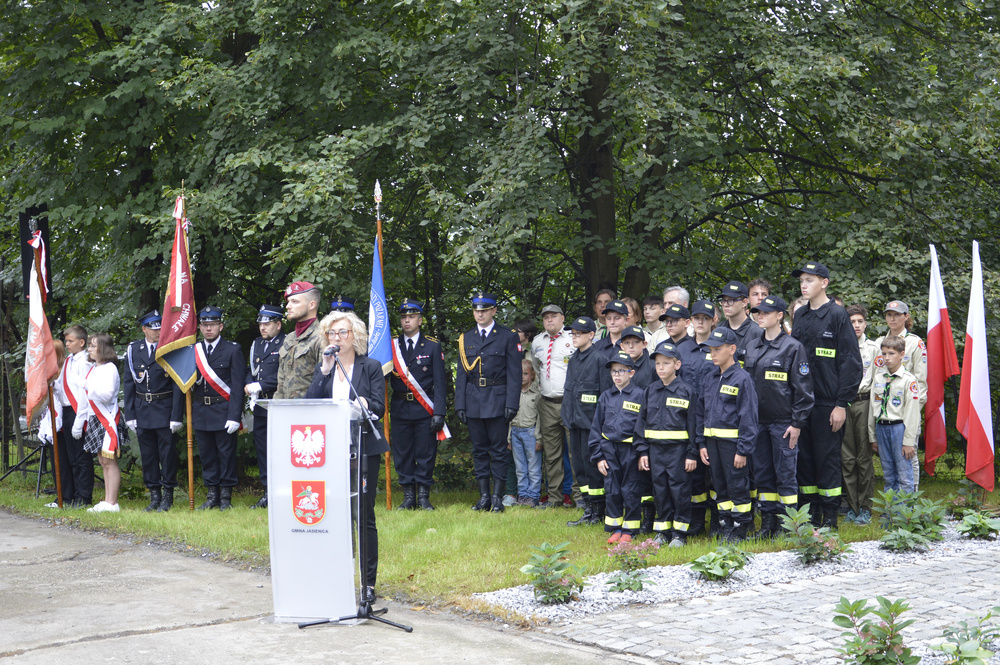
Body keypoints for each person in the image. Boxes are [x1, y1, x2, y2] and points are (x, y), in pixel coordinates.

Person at [306, 310, 387, 601]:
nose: (336, 338)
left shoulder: (371, 367)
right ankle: (337, 577)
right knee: (335, 516)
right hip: (329, 451)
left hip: (363, 450)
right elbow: (310, 405)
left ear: (356, 336)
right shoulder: (324, 366)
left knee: (363, 516)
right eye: (331, 333)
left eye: (342, 332)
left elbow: (379, 405)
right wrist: (325, 370)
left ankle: (367, 584)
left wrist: (365, 403)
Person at [790, 262, 863, 529]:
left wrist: (841, 404)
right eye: (802, 281)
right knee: (805, 462)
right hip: (802, 403)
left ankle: (830, 518)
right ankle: (810, 516)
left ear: (824, 283)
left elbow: (850, 363)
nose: (804, 285)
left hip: (827, 403)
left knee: (828, 460)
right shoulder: (800, 316)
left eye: (809, 280)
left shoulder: (837, 315)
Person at [743, 297, 815, 538]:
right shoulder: (752, 346)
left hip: (783, 424)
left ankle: (788, 527)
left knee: (785, 476)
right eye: (756, 312)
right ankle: (767, 525)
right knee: (763, 475)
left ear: (779, 315)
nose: (759, 315)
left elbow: (803, 391)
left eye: (765, 312)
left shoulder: (793, 347)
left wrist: (797, 424)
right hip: (758, 424)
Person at [455, 292, 521, 513]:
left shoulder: (507, 336)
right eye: (476, 310)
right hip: (473, 400)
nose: (480, 313)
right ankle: (483, 496)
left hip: (498, 399)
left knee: (499, 451)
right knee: (479, 451)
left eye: (484, 310)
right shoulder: (466, 338)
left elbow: (514, 373)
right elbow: (462, 374)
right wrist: (460, 404)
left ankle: (497, 497)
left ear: (493, 311)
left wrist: (512, 403)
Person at [696, 328, 759, 542]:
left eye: (717, 349)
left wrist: (743, 450)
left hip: (733, 445)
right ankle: (725, 524)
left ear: (732, 349)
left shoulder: (742, 379)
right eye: (711, 350)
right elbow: (700, 412)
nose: (713, 354)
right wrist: (701, 443)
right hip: (712, 444)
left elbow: (749, 418)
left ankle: (741, 528)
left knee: (737, 486)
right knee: (719, 485)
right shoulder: (710, 377)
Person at [637, 342, 698, 547]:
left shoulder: (687, 391)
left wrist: (692, 454)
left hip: (678, 452)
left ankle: (680, 533)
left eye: (666, 363)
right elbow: (641, 423)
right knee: (660, 490)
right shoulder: (650, 391)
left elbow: (694, 426)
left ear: (677, 364)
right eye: (658, 364)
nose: (661, 368)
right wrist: (643, 451)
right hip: (655, 451)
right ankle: (662, 531)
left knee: (679, 490)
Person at [389, 299, 446, 511]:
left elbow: (440, 382)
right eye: (404, 317)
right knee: (402, 453)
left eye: (411, 316)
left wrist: (439, 412)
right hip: (400, 407)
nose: (407, 320)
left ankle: (423, 496)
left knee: (425, 452)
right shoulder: (391, 345)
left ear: (420, 320)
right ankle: (408, 496)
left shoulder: (432, 345)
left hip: (425, 408)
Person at [124, 310, 183, 512]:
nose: (157, 331)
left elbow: (177, 385)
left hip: (165, 409)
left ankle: (168, 495)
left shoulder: (169, 349)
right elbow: (129, 383)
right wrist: (130, 414)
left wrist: (176, 416)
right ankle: (154, 495)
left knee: (167, 455)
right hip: (142, 410)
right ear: (144, 329)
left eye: (160, 327)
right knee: (148, 456)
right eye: (153, 327)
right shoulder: (134, 350)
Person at [192, 306, 246, 511]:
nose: (208, 329)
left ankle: (225, 496)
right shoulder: (194, 350)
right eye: (204, 325)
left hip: (223, 410)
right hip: (201, 410)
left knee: (226, 454)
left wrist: (235, 416)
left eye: (212, 325)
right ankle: (211, 493)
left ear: (220, 326)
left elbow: (238, 386)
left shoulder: (233, 350)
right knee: (207, 455)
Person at [589, 350, 646, 544]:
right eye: (614, 372)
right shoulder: (606, 396)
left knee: (630, 488)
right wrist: (598, 457)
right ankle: (615, 527)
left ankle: (629, 529)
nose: (617, 376)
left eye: (621, 371)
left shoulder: (640, 395)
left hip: (631, 450)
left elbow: (643, 427)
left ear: (631, 373)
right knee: (612, 488)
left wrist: (641, 453)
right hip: (609, 449)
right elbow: (596, 427)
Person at [873, 301, 927, 490]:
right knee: (889, 466)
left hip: (906, 412)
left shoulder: (915, 342)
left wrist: (910, 416)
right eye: (889, 314)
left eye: (897, 314)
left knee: (908, 461)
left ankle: (909, 509)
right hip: (885, 412)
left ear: (906, 316)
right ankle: (893, 506)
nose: (892, 318)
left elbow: (920, 383)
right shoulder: (879, 342)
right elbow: (876, 377)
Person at [71, 333, 125, 513]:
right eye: (90, 346)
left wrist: (86, 385)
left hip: (107, 419)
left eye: (94, 346)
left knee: (110, 461)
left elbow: (107, 395)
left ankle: (112, 502)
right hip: (95, 418)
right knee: (102, 461)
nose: (90, 349)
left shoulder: (110, 368)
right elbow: (87, 399)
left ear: (103, 348)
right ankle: (108, 501)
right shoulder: (94, 368)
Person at [530, 304, 576, 508]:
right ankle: (555, 497)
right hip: (547, 403)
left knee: (575, 452)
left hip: (569, 402)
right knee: (552, 454)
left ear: (562, 318)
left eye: (553, 316)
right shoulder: (537, 341)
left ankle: (580, 497)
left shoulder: (572, 338)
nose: (549, 320)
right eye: (546, 317)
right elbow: (537, 369)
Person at [562, 316, 605, 526]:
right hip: (575, 423)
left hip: (591, 425)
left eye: (578, 334)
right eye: (573, 334)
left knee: (592, 468)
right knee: (579, 467)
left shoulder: (599, 359)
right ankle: (588, 509)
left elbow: (604, 396)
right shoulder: (573, 359)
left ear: (591, 335)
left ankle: (598, 511)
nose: (575, 337)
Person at [244, 304, 285, 509]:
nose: (263, 327)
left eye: (267, 323)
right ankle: (268, 491)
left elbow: (285, 376)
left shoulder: (287, 343)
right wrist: (249, 384)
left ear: (278, 324)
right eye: (261, 323)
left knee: (281, 451)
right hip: (260, 405)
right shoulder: (257, 344)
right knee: (263, 450)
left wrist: (260, 385)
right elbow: (250, 370)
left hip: (279, 404)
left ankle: (283, 491)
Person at [868, 335, 921, 493]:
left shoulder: (908, 380)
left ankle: (905, 513)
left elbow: (912, 414)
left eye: (891, 353)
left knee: (904, 473)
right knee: (888, 473)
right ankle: (890, 510)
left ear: (902, 355)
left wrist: (908, 441)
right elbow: (873, 409)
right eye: (884, 353)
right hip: (881, 427)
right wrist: (872, 436)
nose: (887, 358)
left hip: (899, 429)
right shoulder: (878, 378)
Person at [843, 304, 879, 524]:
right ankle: (851, 507)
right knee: (846, 458)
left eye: (859, 321)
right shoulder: (841, 345)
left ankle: (865, 507)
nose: (856, 326)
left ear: (865, 323)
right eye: (852, 321)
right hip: (844, 404)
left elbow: (877, 381)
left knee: (864, 457)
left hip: (864, 402)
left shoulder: (874, 348)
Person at [56, 325, 94, 507]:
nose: (67, 344)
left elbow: (83, 392)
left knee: (81, 457)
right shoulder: (70, 360)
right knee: (72, 457)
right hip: (67, 410)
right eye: (66, 340)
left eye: (70, 341)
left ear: (81, 342)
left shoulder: (84, 361)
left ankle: (84, 497)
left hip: (79, 411)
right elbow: (65, 386)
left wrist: (80, 421)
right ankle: (75, 495)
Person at [275, 281, 325, 400]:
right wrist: (276, 409)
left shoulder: (322, 336)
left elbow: (324, 380)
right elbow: (281, 382)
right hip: (285, 411)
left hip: (310, 411)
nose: (288, 306)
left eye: (295, 301)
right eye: (288, 302)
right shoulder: (289, 338)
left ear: (311, 305)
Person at [509, 360, 542, 507]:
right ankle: (522, 495)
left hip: (531, 433)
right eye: (519, 374)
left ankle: (533, 496)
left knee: (533, 467)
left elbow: (540, 418)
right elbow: (509, 419)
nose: (521, 377)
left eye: (525, 374)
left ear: (533, 375)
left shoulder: (537, 394)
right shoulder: (513, 394)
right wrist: (509, 437)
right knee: (520, 467)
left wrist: (539, 438)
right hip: (515, 432)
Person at [716, 280, 763, 363]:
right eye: (723, 300)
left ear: (744, 302)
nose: (726, 304)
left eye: (731, 300)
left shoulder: (758, 333)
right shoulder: (717, 330)